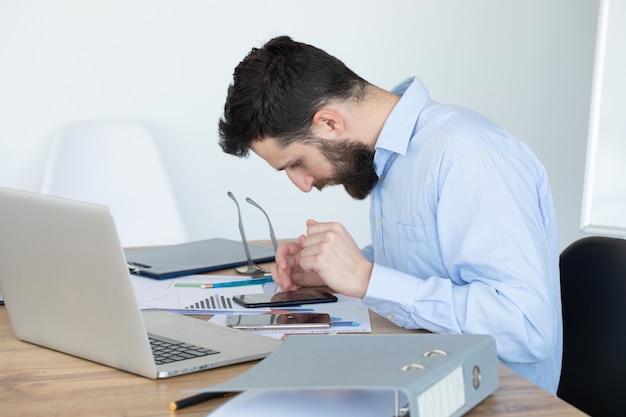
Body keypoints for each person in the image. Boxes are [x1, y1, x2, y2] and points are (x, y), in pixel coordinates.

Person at [218, 35, 562, 394]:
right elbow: (432, 264)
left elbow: (526, 329)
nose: (303, 185)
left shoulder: (469, 156)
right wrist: (328, 269)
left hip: (496, 397)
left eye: (297, 163)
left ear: (329, 123)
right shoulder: (389, 157)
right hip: (423, 374)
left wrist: (367, 278)